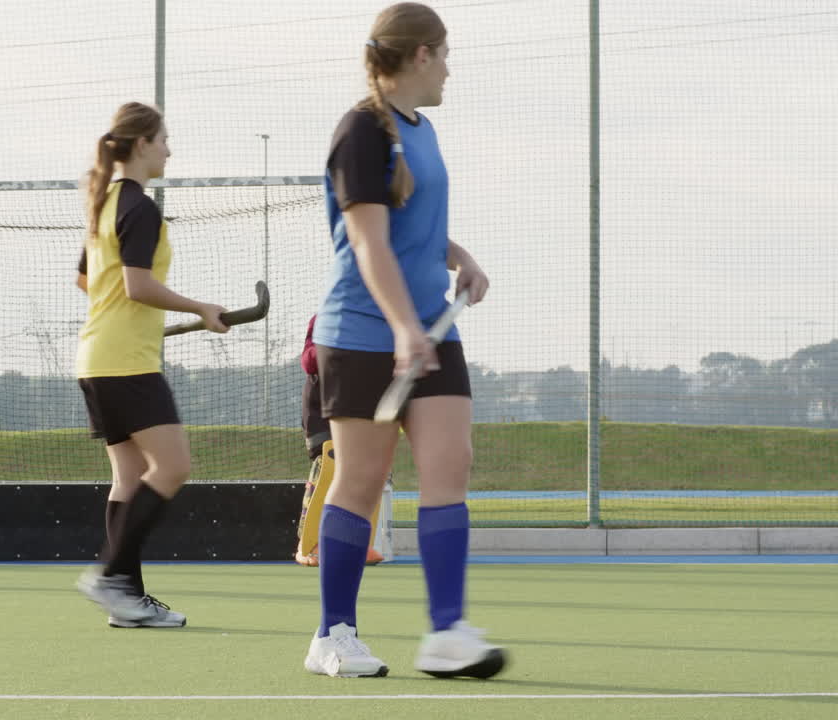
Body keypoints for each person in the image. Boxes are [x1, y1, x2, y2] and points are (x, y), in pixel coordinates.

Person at [304, 2, 504, 679]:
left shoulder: (421, 130)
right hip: (364, 335)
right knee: (361, 481)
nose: (449, 69)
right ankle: (333, 634)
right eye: (445, 55)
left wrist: (459, 257)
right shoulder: (360, 130)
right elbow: (366, 238)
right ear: (419, 56)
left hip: (429, 330)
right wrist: (400, 328)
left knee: (452, 463)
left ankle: (446, 633)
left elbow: (412, 221)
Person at [73, 101, 229, 628]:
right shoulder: (140, 206)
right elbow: (137, 286)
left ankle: (127, 601)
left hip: (97, 356)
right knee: (174, 466)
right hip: (125, 362)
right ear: (141, 145)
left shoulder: (104, 203)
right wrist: (201, 309)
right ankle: (111, 575)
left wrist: (129, 316)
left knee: (131, 475)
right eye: (163, 139)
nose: (169, 149)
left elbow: (88, 281)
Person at [295, 314, 383, 568]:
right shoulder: (326, 317)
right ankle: (307, 544)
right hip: (322, 410)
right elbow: (308, 361)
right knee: (328, 466)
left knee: (364, 473)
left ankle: (355, 542)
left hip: (360, 409)